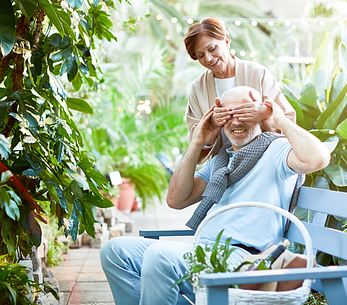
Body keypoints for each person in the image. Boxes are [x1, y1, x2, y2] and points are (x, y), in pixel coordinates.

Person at [100, 87, 330, 305]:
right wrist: (198, 141)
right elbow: (176, 199)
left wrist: (277, 118)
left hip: (244, 258)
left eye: (245, 112)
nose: (237, 121)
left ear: (259, 114)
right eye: (228, 115)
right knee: (114, 251)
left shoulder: (276, 150)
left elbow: (318, 158)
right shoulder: (222, 160)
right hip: (204, 249)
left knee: (160, 257)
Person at [184, 18, 297, 164]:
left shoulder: (258, 73)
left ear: (226, 41)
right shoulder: (198, 87)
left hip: (263, 162)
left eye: (212, 49)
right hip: (222, 165)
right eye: (200, 56)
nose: (209, 59)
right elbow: (195, 139)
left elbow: (288, 119)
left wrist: (265, 115)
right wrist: (210, 126)